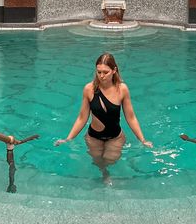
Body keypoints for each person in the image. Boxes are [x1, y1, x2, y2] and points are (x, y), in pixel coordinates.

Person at [54, 52, 153, 183]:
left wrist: (142, 140)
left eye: (105, 72)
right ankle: (105, 174)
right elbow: (82, 118)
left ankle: (107, 172)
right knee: (98, 162)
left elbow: (131, 117)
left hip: (115, 137)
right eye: (98, 72)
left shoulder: (122, 89)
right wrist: (68, 139)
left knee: (110, 160)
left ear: (114, 70)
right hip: (93, 136)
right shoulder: (89, 89)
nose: (101, 76)